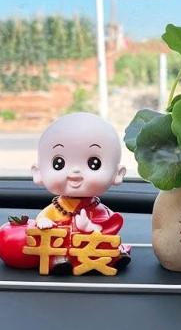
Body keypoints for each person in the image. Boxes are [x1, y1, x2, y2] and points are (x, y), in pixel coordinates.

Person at [31, 112, 130, 275]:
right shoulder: (56, 208)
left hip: (91, 251)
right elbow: (42, 218)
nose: (75, 172)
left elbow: (110, 227)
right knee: (53, 248)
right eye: (58, 163)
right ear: (38, 172)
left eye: (94, 163)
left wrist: (91, 227)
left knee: (108, 244)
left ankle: (115, 258)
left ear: (118, 174)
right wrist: (43, 222)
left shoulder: (99, 210)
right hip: (62, 247)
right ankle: (60, 263)